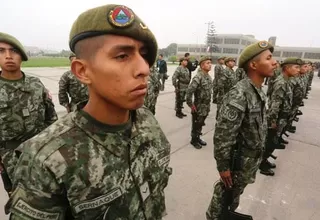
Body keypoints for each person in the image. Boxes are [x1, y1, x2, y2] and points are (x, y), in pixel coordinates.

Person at [6, 4, 172, 219]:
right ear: (83, 71)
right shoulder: (45, 159)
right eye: (122, 56)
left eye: (144, 55)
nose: (144, 69)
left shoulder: (147, 121)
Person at [206, 41, 276, 219]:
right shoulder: (239, 94)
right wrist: (223, 167)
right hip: (236, 162)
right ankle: (214, 216)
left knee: (234, 195)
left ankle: (227, 212)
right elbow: (223, 136)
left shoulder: (257, 91)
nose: (274, 62)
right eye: (268, 58)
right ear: (253, 65)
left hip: (247, 161)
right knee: (224, 192)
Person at [0, 32, 58, 186]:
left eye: (13, 51)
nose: (8, 56)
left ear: (22, 56)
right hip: (10, 156)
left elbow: (51, 116)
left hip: (41, 150)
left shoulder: (35, 84)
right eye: (1, 51)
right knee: (19, 198)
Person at [186, 56, 213, 149]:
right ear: (202, 65)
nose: (210, 65)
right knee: (196, 124)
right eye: (207, 63)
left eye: (210, 63)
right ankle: (193, 140)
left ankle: (198, 137)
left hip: (206, 106)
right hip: (198, 106)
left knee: (200, 123)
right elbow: (189, 91)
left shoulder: (208, 77)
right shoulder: (198, 77)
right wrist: (191, 104)